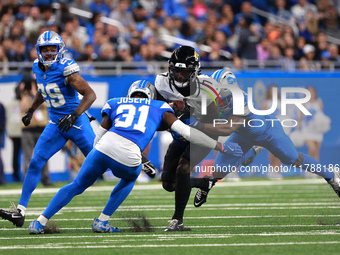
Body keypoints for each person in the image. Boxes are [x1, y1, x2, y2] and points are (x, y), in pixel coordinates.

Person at [28, 80, 230, 234]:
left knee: (77, 185)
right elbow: (186, 133)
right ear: (151, 95)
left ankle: (40, 221)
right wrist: (217, 144)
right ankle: (102, 220)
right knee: (129, 178)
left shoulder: (115, 103)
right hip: (130, 156)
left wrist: (98, 159)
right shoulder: (159, 107)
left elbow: (99, 136)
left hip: (103, 148)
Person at [193, 69, 340, 207]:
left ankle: (331, 176)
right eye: (216, 96)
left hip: (268, 131)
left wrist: (199, 126)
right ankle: (206, 186)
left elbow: (228, 128)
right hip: (243, 135)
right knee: (219, 169)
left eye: (223, 98)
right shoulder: (211, 98)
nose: (219, 102)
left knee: (293, 159)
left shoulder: (241, 98)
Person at [0, 31, 96, 228]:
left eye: (53, 49)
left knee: (102, 161)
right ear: (38, 50)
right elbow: (44, 91)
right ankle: (20, 211)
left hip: (76, 123)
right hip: (55, 124)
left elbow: (90, 95)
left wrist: (74, 115)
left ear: (60, 50)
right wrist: (31, 110)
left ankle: (134, 168)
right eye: (46, 49)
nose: (50, 53)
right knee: (35, 162)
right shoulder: (37, 66)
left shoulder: (66, 68)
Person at [153, 46, 251, 231]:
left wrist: (193, 121)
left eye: (184, 71)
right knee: (169, 183)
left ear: (194, 71)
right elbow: (156, 116)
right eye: (176, 70)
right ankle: (203, 183)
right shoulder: (161, 83)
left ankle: (177, 220)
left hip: (204, 131)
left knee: (184, 167)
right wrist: (175, 119)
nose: (179, 76)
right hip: (182, 133)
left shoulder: (206, 87)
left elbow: (213, 120)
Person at [5, 85, 22, 182]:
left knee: (28, 155)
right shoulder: (10, 104)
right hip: (15, 133)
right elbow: (8, 119)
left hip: (24, 132)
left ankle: (25, 174)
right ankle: (15, 174)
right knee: (15, 155)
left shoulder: (24, 102)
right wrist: (9, 132)